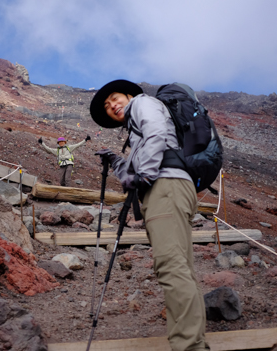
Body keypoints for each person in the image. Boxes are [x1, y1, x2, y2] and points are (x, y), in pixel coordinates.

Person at [89, 79, 209, 351]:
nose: (112, 106)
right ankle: (195, 342)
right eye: (108, 107)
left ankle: (189, 347)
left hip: (165, 189)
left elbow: (155, 135)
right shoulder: (134, 130)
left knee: (171, 266)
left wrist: (146, 175)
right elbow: (134, 175)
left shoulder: (142, 104)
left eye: (115, 99)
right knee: (181, 268)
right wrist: (118, 162)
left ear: (129, 95)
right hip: (172, 187)